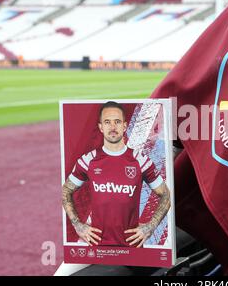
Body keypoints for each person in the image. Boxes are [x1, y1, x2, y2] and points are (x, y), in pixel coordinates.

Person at [62, 101, 171, 248]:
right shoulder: (88, 160)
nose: (112, 127)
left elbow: (166, 195)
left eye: (117, 122)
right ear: (101, 127)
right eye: (107, 122)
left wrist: (150, 227)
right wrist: (78, 225)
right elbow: (66, 190)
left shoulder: (140, 160)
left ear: (125, 126)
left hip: (132, 248)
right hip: (97, 247)